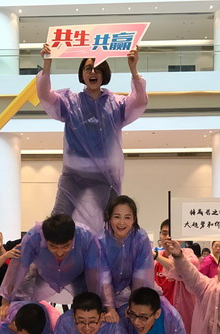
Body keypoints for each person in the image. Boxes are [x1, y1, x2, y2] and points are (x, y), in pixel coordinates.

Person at [37, 43, 148, 235]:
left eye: (97, 68)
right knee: (58, 221)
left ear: (104, 74)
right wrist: (47, 65)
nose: (93, 72)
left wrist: (134, 70)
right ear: (82, 74)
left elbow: (139, 101)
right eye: (88, 68)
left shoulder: (117, 104)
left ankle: (111, 254)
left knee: (114, 223)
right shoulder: (70, 102)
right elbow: (45, 96)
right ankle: (52, 253)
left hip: (106, 177)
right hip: (74, 175)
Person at [0, 214, 116, 322]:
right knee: (19, 304)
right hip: (43, 271)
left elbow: (97, 274)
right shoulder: (34, 236)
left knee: (88, 309)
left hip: (78, 273)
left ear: (73, 238)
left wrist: (105, 307)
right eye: (53, 246)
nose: (60, 253)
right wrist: (6, 302)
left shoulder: (87, 237)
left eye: (66, 246)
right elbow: (18, 268)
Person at [101, 195, 154, 307]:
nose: (122, 222)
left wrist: (135, 305)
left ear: (134, 219)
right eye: (117, 217)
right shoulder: (101, 239)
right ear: (109, 217)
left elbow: (141, 275)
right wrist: (109, 307)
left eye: (127, 217)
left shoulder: (140, 238)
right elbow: (102, 276)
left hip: (131, 294)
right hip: (102, 294)